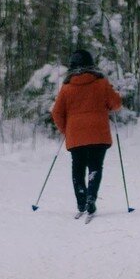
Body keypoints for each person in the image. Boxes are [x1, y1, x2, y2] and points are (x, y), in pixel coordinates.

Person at [50, 49, 122, 218]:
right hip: (98, 134)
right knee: (95, 166)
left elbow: (57, 113)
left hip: (76, 136)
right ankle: (91, 197)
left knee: (78, 168)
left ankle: (81, 201)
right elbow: (116, 103)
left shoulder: (67, 88)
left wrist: (65, 129)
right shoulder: (101, 83)